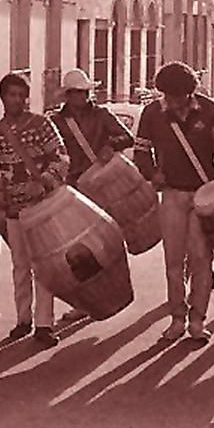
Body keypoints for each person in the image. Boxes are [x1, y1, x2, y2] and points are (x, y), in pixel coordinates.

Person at [134, 61, 214, 343]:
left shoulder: (210, 110)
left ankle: (197, 320)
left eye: (177, 96)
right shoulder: (152, 113)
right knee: (172, 260)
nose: (172, 101)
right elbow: (141, 152)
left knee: (201, 259)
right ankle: (177, 318)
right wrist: (152, 172)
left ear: (189, 92)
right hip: (171, 194)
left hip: (203, 195)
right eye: (167, 95)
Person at [0, 73, 69, 347]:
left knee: (44, 265)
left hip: (43, 206)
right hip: (13, 209)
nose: (16, 100)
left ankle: (44, 323)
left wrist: (43, 183)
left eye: (21, 95)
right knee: (20, 265)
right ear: (2, 97)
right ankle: (23, 319)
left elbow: (62, 158)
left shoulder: (42, 125)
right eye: (11, 95)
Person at [50, 68, 134, 322]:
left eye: (84, 93)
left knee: (105, 243)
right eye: (76, 93)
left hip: (101, 186)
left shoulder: (102, 115)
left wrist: (111, 146)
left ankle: (111, 292)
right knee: (76, 249)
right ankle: (83, 302)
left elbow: (126, 138)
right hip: (72, 190)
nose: (81, 97)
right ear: (68, 95)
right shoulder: (56, 121)